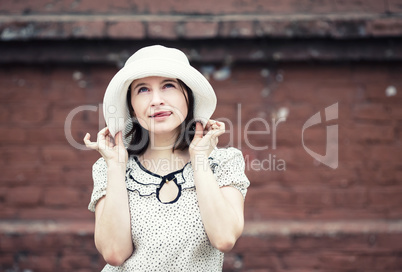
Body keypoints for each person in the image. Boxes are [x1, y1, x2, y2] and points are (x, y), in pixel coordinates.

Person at [83, 45, 250, 272]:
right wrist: (115, 167)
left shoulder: (224, 162)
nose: (156, 100)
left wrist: (199, 158)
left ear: (188, 97)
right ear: (131, 108)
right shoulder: (109, 166)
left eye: (168, 86)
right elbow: (114, 253)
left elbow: (224, 238)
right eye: (143, 90)